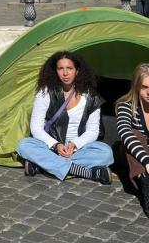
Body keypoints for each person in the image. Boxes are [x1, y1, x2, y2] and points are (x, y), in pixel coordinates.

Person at [17, 51, 113, 184]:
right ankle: (87, 172)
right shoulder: (45, 92)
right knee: (24, 145)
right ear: (55, 71)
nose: (65, 73)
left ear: (77, 71)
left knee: (106, 152)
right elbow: (36, 128)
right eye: (60, 68)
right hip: (50, 146)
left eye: (69, 68)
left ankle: (42, 165)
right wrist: (55, 145)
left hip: (78, 148)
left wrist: (75, 144)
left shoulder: (91, 96)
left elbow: (93, 131)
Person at [116, 63, 149, 218]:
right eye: (144, 87)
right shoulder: (126, 105)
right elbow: (125, 132)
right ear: (136, 86)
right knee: (135, 134)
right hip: (133, 155)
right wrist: (147, 161)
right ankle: (146, 186)